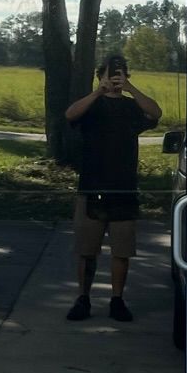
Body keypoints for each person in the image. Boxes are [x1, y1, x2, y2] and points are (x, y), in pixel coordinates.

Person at [64, 53, 161, 321]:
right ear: (100, 76)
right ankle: (83, 298)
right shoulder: (91, 106)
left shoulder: (131, 108)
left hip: (124, 188)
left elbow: (155, 113)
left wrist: (130, 89)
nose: (114, 79)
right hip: (91, 186)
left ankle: (117, 300)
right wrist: (98, 93)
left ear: (126, 76)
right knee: (86, 250)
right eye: (109, 74)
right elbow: (70, 114)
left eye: (120, 75)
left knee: (122, 250)